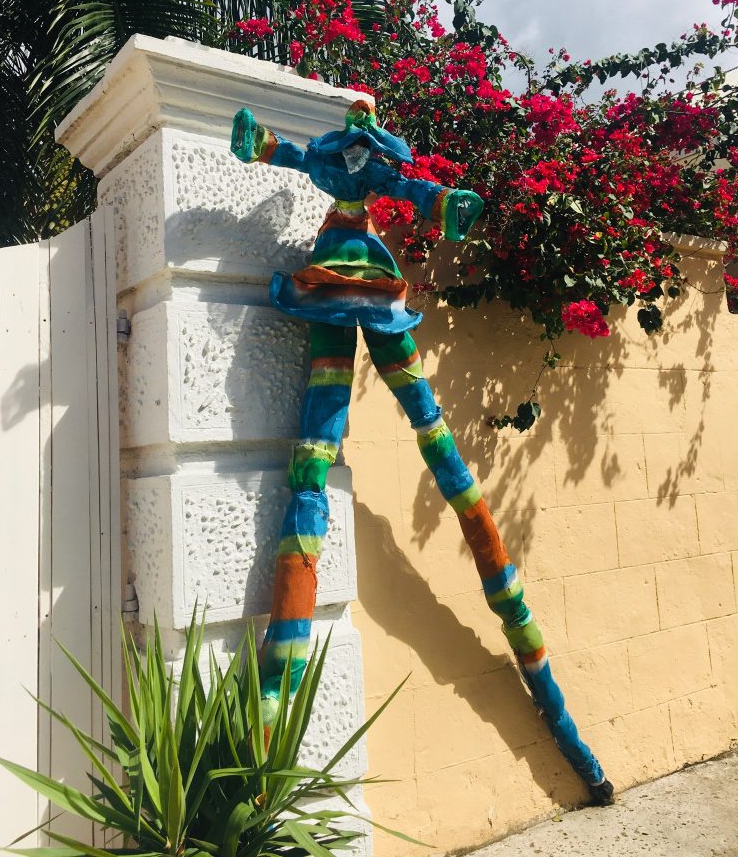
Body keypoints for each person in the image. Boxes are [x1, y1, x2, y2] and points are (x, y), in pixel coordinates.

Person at [231, 98, 613, 803]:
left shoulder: (373, 163)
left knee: (421, 449)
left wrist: (445, 205)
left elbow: (412, 190)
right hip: (336, 283)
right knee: (318, 461)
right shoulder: (335, 159)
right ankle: (265, 760)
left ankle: (564, 729)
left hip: (369, 289)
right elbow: (289, 154)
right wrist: (260, 144)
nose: (354, 134)